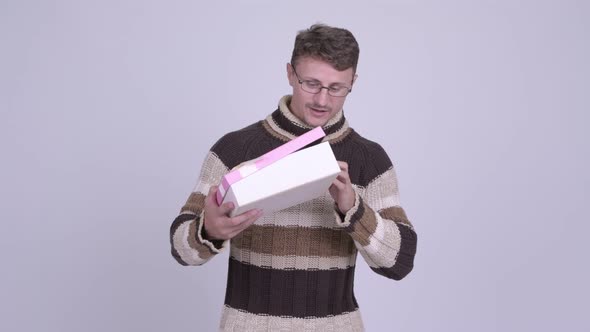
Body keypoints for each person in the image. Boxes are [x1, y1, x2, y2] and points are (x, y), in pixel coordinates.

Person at [169, 23, 417, 331]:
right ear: (290, 74)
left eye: (337, 88)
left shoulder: (369, 159)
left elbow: (400, 262)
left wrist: (354, 209)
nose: (322, 100)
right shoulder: (234, 149)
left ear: (353, 81)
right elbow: (182, 249)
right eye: (311, 84)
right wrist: (209, 230)